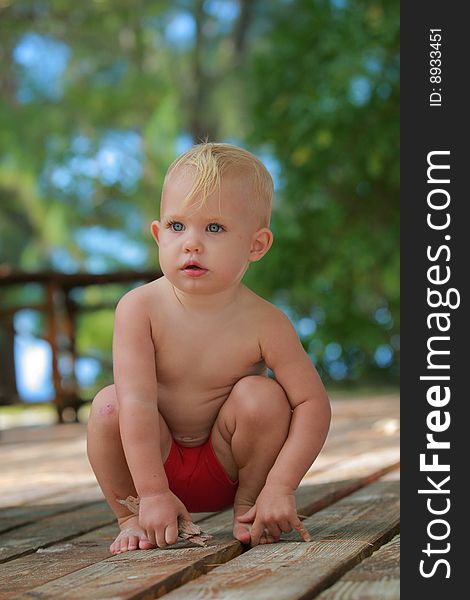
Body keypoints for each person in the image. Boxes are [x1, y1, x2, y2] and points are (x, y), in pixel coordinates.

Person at [87, 142, 331, 555]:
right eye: (178, 226)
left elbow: (312, 403)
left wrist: (281, 485)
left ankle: (253, 508)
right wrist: (150, 493)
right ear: (158, 234)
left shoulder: (266, 322)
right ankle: (129, 517)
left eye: (214, 228)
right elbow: (138, 404)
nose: (192, 244)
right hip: (150, 463)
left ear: (256, 245)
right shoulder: (139, 308)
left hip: (230, 466)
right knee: (111, 406)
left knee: (264, 396)